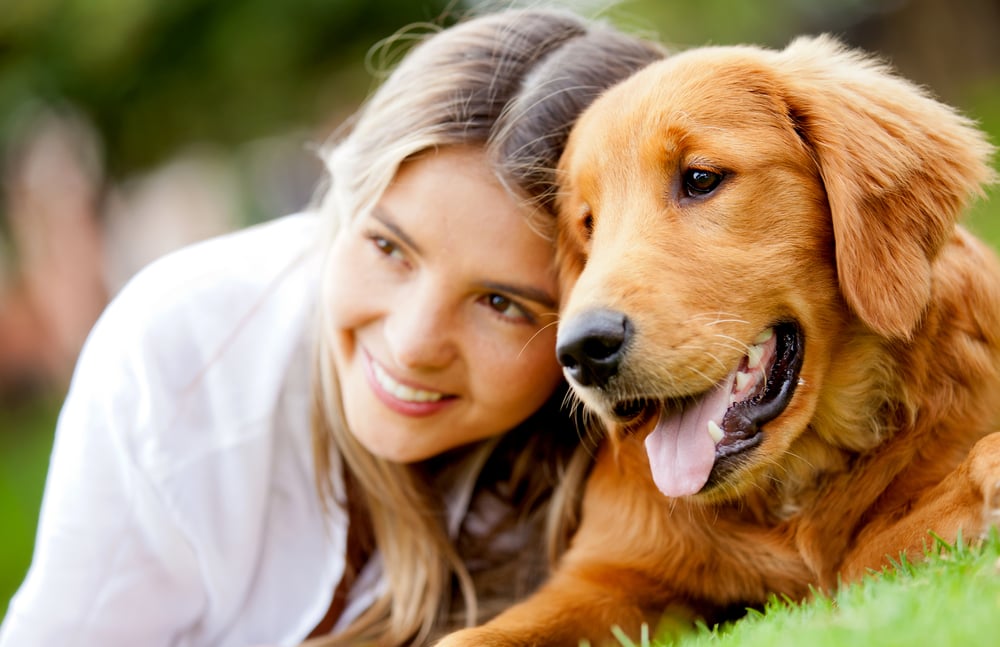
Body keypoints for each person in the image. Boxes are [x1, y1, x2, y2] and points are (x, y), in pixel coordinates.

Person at [0, 8, 665, 647]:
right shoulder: (177, 358)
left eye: (502, 303)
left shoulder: (600, 453)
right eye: (387, 247)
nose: (410, 344)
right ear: (342, 204)